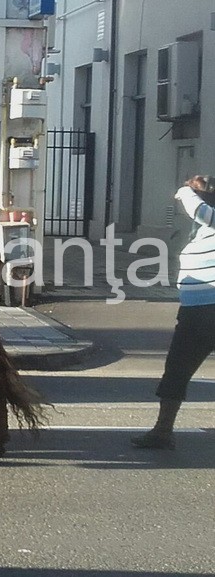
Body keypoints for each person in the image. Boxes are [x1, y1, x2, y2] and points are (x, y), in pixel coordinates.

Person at [132, 175, 215, 450]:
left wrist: (184, 191)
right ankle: (162, 430)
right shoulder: (204, 228)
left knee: (178, 368)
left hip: (207, 309)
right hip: (196, 309)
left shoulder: (208, 216)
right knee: (176, 369)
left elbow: (200, 211)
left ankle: (162, 430)